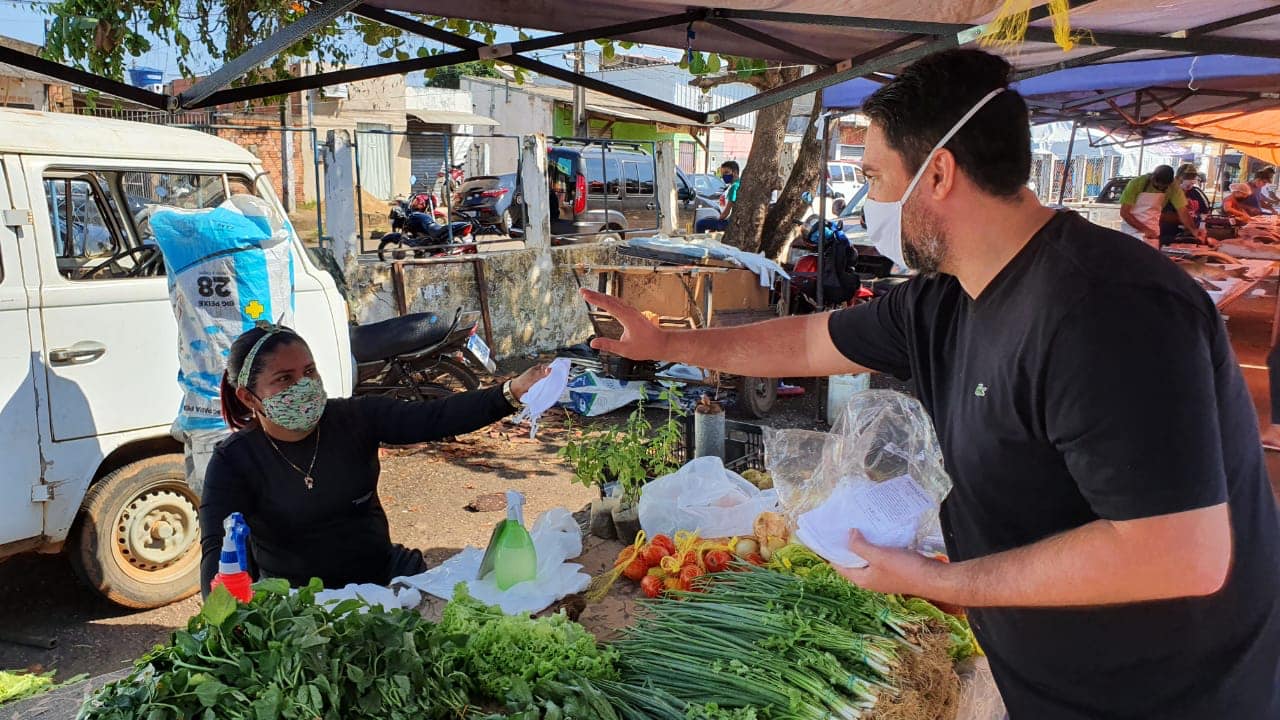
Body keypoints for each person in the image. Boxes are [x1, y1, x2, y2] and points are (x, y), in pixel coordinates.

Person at [583, 48, 1280, 719]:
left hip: (1171, 700)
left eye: (877, 179)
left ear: (939, 174)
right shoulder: (946, 298)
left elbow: (1179, 554)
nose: (868, 205)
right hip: (1054, 687)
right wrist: (668, 342)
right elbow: (806, 338)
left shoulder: (1106, 307)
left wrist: (936, 581)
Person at [198, 324, 549, 596]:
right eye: (284, 379)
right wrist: (225, 615)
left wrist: (511, 393)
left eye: (309, 372)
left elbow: (435, 416)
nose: (303, 385)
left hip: (384, 581)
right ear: (248, 397)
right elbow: (218, 549)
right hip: (300, 602)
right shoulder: (234, 461)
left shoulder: (354, 418)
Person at [1118, 164, 1206, 247]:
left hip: (1153, 232)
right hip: (1130, 231)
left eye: (1164, 188)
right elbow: (1124, 213)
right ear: (1152, 177)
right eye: (1157, 186)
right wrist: (1145, 230)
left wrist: (1193, 230)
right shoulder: (1136, 183)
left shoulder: (1173, 187)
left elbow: (1182, 211)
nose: (1160, 189)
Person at [1158, 163, 1213, 246]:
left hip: (1190, 234)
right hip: (1168, 234)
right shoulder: (1168, 191)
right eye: (1186, 177)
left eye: (1192, 177)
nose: (1190, 180)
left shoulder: (1197, 192)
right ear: (1178, 177)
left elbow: (1205, 212)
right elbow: (1161, 215)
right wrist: (1184, 220)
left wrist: (1199, 224)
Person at [694, 161, 740, 233]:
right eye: (722, 174)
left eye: (726, 172)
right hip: (726, 219)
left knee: (700, 224)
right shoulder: (732, 186)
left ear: (734, 172)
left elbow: (727, 210)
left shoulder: (735, 187)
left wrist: (718, 222)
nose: (723, 176)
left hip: (728, 221)